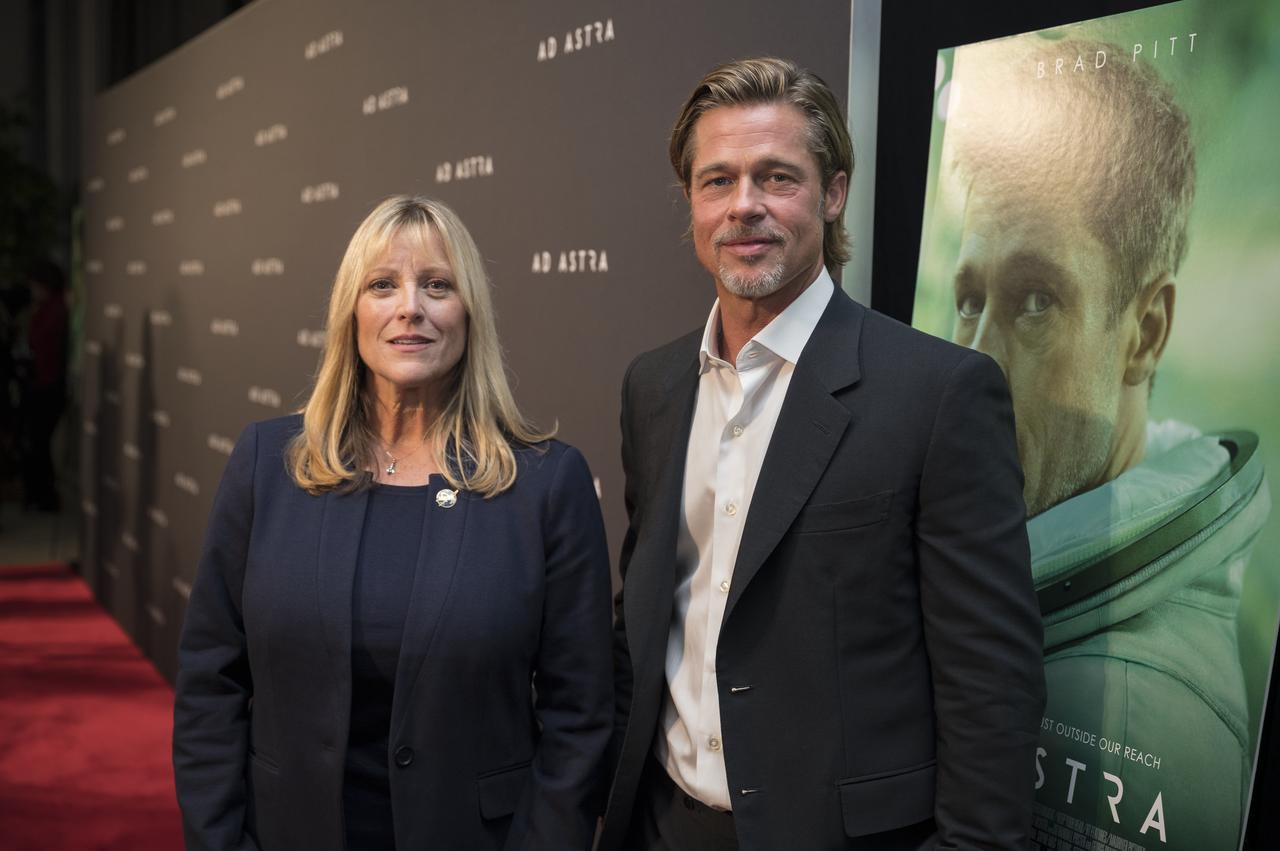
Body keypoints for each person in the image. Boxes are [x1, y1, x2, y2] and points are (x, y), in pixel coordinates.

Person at [599, 57, 1046, 851]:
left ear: (834, 192)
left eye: (777, 177)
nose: (745, 207)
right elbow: (650, 612)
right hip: (662, 824)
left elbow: (991, 687)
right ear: (691, 202)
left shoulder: (939, 393)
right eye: (717, 181)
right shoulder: (654, 386)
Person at [173, 196, 614, 850]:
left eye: (438, 285)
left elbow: (581, 720)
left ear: (470, 314)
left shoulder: (548, 484)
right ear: (351, 313)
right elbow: (210, 686)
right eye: (384, 285)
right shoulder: (268, 464)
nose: (412, 306)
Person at [943, 38, 1269, 847]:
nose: (973, 362)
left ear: (1144, 333)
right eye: (968, 297)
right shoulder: (1021, 562)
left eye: (1035, 301)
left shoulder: (1127, 707)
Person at [20, 259, 69, 511]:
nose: (32, 290)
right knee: (36, 443)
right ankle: (41, 496)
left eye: (35, 285)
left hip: (49, 387)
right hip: (40, 384)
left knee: (39, 443)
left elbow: (48, 349)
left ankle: (46, 496)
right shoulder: (43, 310)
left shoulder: (56, 311)